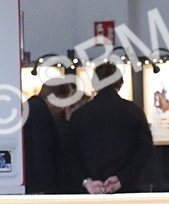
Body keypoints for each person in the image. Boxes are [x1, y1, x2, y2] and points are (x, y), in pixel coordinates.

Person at [67, 62, 154, 193]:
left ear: (95, 83)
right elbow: (144, 151)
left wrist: (86, 181)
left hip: (90, 190)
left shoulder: (80, 115)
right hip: (127, 188)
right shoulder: (133, 111)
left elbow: (71, 154)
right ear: (120, 83)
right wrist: (122, 178)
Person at [23, 78, 78, 194]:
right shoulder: (40, 113)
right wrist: (49, 187)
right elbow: (43, 152)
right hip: (39, 185)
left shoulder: (31, 107)